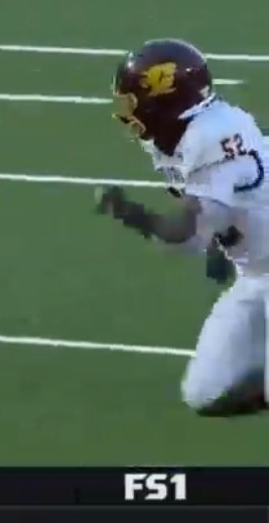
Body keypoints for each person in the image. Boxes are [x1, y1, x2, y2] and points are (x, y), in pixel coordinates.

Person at [95, 38, 267, 415]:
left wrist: (128, 212)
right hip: (255, 274)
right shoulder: (175, 137)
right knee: (203, 394)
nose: (126, 112)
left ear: (164, 98)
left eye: (133, 101)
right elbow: (209, 214)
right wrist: (217, 242)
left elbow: (184, 233)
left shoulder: (212, 135)